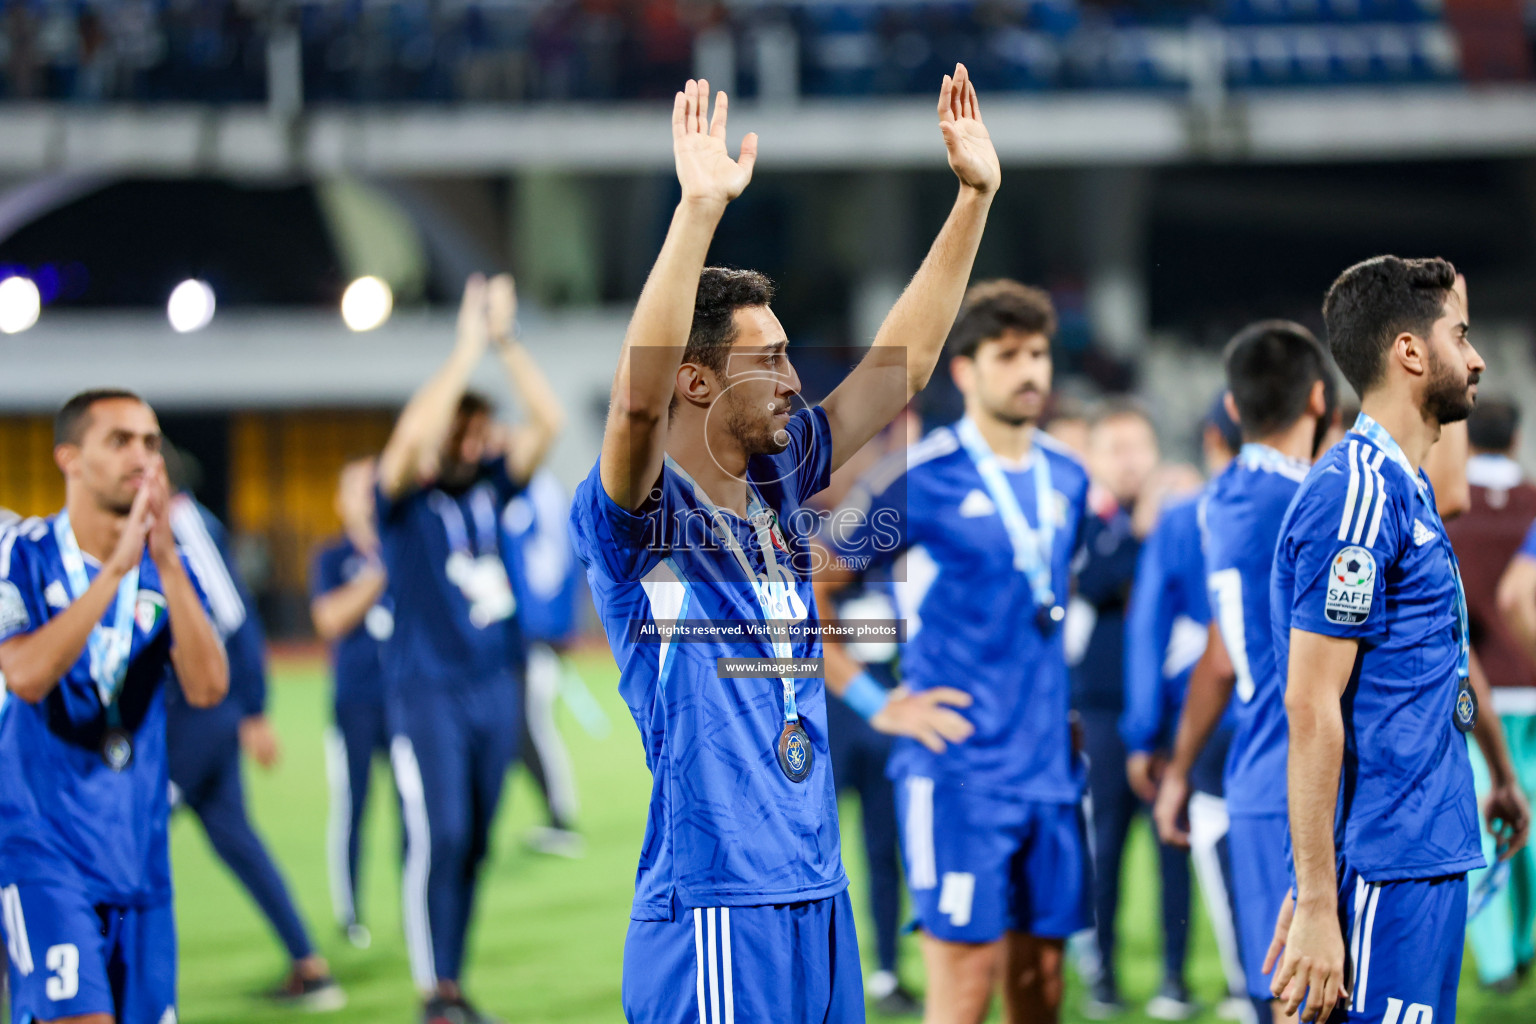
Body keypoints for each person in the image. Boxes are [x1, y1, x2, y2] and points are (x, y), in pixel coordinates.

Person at [570, 69, 996, 1023]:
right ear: (694, 381)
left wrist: (973, 199)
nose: (795, 381)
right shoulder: (639, 517)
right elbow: (632, 399)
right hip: (720, 901)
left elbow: (906, 368)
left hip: (815, 883)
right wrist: (697, 212)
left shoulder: (777, 476)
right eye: (768, 362)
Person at [820, 279, 1093, 1024]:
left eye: (1039, 352)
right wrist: (878, 703)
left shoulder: (1069, 477)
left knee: (1040, 992)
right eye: (1009, 355)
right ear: (967, 370)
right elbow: (813, 592)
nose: (1032, 369)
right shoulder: (921, 476)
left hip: (1051, 777)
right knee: (964, 994)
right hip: (959, 778)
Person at [1267, 255, 1530, 1023]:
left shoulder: (1404, 487)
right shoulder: (1353, 494)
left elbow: (1438, 661)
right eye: (1461, 335)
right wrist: (1316, 900)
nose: (1477, 358)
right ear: (1411, 354)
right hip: (1386, 861)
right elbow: (1312, 704)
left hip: (1430, 848)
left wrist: (1498, 773)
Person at [0, 389, 228, 1024]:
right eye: (121, 441)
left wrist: (167, 565)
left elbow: (209, 688)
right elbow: (25, 674)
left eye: (152, 443)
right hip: (42, 845)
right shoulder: (22, 552)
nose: (143, 457)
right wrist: (111, 576)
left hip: (138, 850)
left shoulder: (169, 568)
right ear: (69, 458)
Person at [375, 272, 564, 1024]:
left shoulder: (491, 488)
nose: (476, 441)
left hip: (497, 681)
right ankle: (434, 991)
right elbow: (407, 441)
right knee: (443, 833)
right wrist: (462, 349)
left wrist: (507, 343)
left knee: (478, 840)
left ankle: (453, 981)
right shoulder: (404, 502)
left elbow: (547, 422)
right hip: (429, 688)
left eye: (481, 432)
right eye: (465, 430)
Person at [1151, 322, 1336, 1024]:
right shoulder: (1322, 498)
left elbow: (1222, 655)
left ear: (1231, 409)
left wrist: (1179, 768)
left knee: (1282, 996)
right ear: (1318, 398)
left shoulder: (1218, 500)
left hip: (1255, 778)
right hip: (1319, 780)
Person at [164, 463, 343, 1008]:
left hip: (194, 718)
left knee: (118, 842)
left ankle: (88, 989)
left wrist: (253, 708)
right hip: (205, 714)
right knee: (236, 840)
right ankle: (310, 967)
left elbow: (232, 615)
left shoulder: (182, 522)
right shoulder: (186, 521)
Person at [1121, 394, 1249, 1023]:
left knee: (1210, 847)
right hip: (1290, 720)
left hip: (1205, 722)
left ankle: (1241, 982)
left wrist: (1143, 733)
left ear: (1211, 439)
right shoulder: (1309, 501)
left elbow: (1146, 630)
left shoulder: (1183, 518)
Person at [1074, 400, 1195, 1019]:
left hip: (1171, 712)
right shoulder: (1085, 520)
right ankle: (1104, 974)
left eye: (1138, 447)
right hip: (1099, 710)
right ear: (1093, 457)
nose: (1129, 461)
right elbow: (1095, 581)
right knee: (1107, 848)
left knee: (1173, 841)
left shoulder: (1179, 519)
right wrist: (1142, 533)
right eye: (1115, 448)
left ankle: (1176, 977)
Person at [810, 408, 925, 1017]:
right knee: (815, 849)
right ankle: (822, 974)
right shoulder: (802, 531)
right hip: (829, 709)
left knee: (886, 846)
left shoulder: (889, 525)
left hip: (882, 704)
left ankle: (883, 970)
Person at [310, 458, 394, 949]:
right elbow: (330, 618)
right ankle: (350, 913)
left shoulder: (407, 544)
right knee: (353, 806)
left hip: (405, 700)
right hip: (354, 701)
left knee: (416, 808)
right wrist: (379, 576)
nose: (369, 500)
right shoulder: (331, 556)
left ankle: (418, 904)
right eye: (359, 490)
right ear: (342, 502)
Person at [500, 468, 585, 857]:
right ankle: (557, 815)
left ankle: (561, 817)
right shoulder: (517, 491)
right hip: (519, 633)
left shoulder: (542, 490)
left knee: (533, 726)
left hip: (535, 635)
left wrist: (551, 626)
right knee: (522, 728)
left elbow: (554, 560)